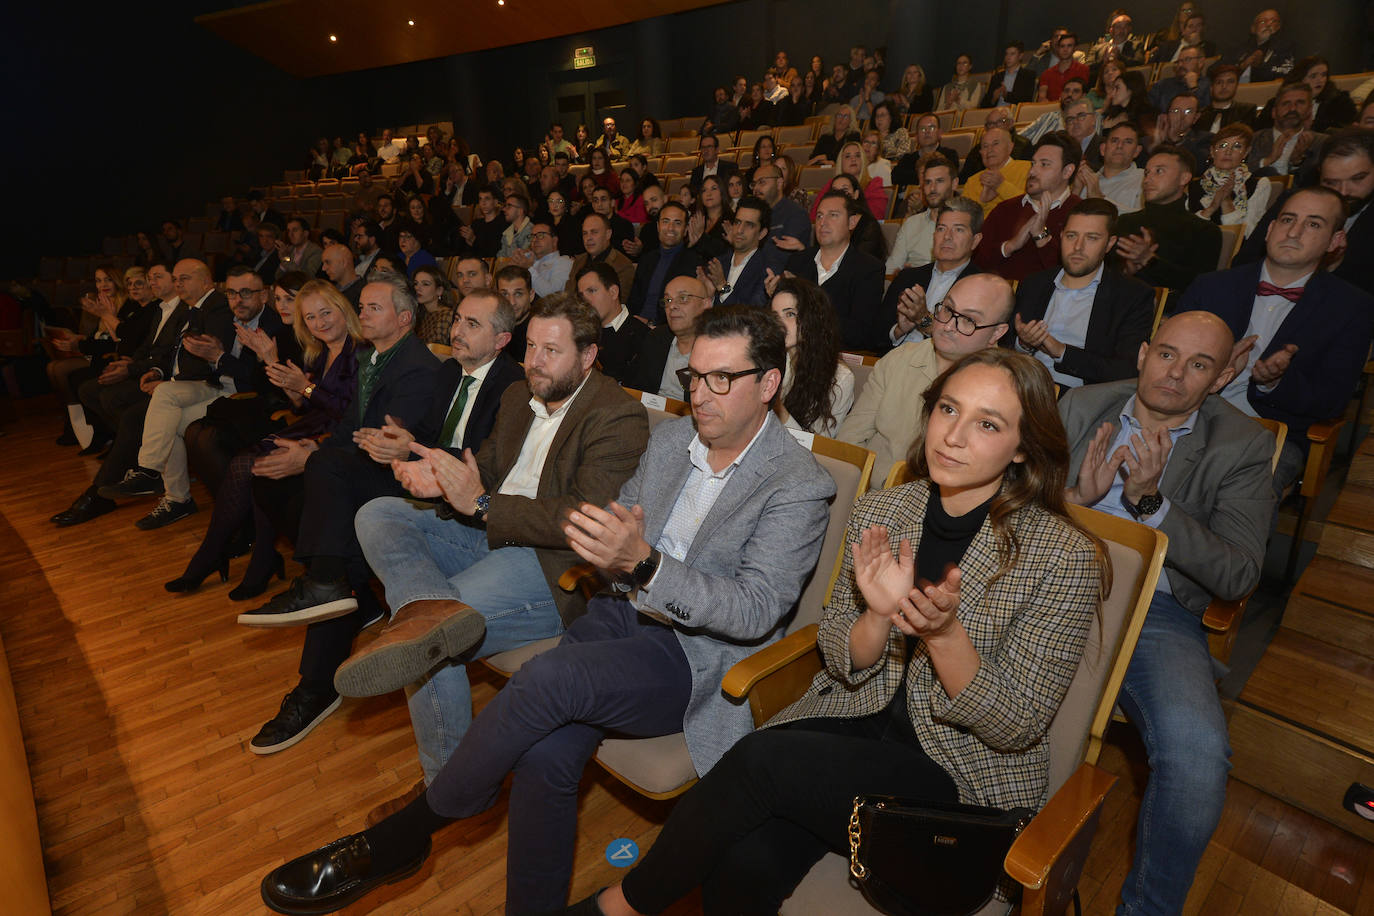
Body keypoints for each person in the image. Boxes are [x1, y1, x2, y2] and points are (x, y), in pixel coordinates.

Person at [261, 306, 833, 916]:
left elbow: (754, 610)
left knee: (548, 677)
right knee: (545, 756)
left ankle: (404, 835)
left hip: (692, 657)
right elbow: (616, 533)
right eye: (693, 376)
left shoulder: (798, 482)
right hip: (618, 615)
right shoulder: (671, 441)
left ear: (769, 383)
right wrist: (609, 550)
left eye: (721, 379)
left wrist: (643, 564)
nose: (700, 394)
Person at [577, 345, 1106, 916]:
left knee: (759, 761)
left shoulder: (1062, 556)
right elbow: (837, 654)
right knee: (739, 862)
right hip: (856, 726)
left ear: (1023, 447)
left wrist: (945, 636)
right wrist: (877, 616)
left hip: (957, 777)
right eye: (948, 410)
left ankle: (619, 906)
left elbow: (1018, 724)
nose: (954, 436)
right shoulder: (885, 510)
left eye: (987, 424)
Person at [1059, 309, 1274, 914]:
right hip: (1054, 583)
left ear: (1223, 376)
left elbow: (1237, 574)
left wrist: (1152, 504)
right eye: (1168, 354)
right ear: (1143, 353)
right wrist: (1079, 499)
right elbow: (1017, 507)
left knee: (1198, 759)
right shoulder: (1080, 406)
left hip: (1156, 612)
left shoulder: (1244, 445)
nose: (1176, 374)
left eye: (1199, 364)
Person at [234, 275, 445, 752]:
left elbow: (384, 442)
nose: (361, 314)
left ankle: (317, 663)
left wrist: (319, 452)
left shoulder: (418, 368)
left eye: (373, 307)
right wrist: (315, 444)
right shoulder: (372, 358)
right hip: (365, 465)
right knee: (277, 480)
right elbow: (352, 426)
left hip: (403, 480)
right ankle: (338, 589)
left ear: (404, 319)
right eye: (363, 306)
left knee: (324, 476)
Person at [165, 280, 363, 593]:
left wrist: (304, 386)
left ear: (343, 309)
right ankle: (243, 556)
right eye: (310, 318)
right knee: (250, 465)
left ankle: (230, 557)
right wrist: (278, 368)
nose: (319, 323)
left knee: (252, 465)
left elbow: (351, 412)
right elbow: (303, 406)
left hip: (334, 437)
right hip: (311, 425)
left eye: (326, 313)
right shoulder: (320, 351)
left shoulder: (360, 350)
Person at [1183, 187, 1374, 495]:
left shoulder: (1352, 308)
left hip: (1270, 433)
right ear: (1270, 229)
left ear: (1335, 241)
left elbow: (1333, 400)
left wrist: (1275, 382)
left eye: (1313, 224)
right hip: (1189, 413)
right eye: (1287, 219)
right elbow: (1164, 362)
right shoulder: (1211, 286)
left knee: (1233, 492)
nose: (1294, 232)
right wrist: (1210, 367)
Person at [98, 261, 268, 530]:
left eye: (184, 279)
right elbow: (168, 351)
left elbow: (228, 367)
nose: (236, 300)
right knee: (170, 420)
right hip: (214, 382)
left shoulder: (219, 308)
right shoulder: (198, 309)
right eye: (233, 293)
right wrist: (158, 369)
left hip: (227, 389)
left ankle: (150, 472)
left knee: (164, 397)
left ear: (206, 282)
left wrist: (211, 359)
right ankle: (175, 497)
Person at [840, 273, 1014, 482]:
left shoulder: (1007, 389)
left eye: (968, 320)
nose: (948, 326)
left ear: (997, 333)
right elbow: (850, 440)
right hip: (872, 492)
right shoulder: (901, 358)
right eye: (948, 310)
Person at [1008, 198, 1155, 389]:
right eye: (1071, 236)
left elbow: (1126, 371)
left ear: (1110, 243)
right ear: (1061, 237)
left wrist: (1061, 352)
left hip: (1081, 398)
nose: (1078, 247)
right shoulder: (1034, 284)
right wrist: (1024, 344)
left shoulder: (1132, 296)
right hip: (1022, 386)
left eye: (1092, 238)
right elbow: (1003, 343)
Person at [1236, 128, 1374, 296]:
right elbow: (1244, 263)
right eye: (1331, 183)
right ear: (1319, 175)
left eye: (1357, 179)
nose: (1343, 191)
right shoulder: (1294, 203)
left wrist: (1331, 265)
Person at [781, 190, 886, 352]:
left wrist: (809, 303)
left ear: (852, 222)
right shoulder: (798, 261)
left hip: (837, 357)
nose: (823, 222)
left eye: (833, 215)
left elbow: (860, 334)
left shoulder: (868, 269)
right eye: (819, 216)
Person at [974, 132, 1083, 281]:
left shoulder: (1081, 214)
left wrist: (1041, 236)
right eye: (1033, 164)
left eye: (1044, 164)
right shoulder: (1004, 209)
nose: (1032, 171)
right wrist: (1009, 246)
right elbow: (975, 263)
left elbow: (1073, 276)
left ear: (1067, 171)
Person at [1114, 144, 1222, 292]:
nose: (1147, 180)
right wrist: (1126, 271)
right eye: (1147, 173)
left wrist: (1149, 260)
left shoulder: (1204, 231)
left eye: (1159, 171)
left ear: (1184, 178)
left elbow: (1199, 285)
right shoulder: (1125, 222)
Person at [883, 197, 986, 350]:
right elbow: (874, 336)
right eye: (941, 228)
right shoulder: (908, 277)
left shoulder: (981, 287)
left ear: (975, 241)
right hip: (895, 363)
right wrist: (899, 330)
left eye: (958, 229)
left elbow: (968, 345)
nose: (947, 237)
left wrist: (923, 319)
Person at [770, 277, 853, 436]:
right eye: (775, 315)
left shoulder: (840, 378)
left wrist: (778, 407)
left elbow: (817, 447)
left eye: (790, 314)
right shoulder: (770, 358)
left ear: (812, 318)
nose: (779, 323)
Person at [625, 275, 713, 398]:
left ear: (706, 305)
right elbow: (634, 388)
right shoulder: (656, 338)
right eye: (668, 300)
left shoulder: (717, 348)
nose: (672, 306)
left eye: (683, 298)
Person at [1187, 123, 1273, 238]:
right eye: (1222, 145)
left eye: (1237, 146)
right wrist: (1211, 208)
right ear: (1212, 151)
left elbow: (1248, 234)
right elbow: (1186, 232)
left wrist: (1226, 202)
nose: (1228, 151)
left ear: (1246, 152)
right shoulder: (1194, 185)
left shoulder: (1259, 184)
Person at [700, 196, 782, 308]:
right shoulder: (717, 263)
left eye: (749, 225)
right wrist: (708, 298)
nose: (739, 230)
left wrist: (723, 287)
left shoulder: (768, 269)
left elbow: (751, 315)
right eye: (737, 222)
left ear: (762, 233)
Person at [626, 202, 701, 323]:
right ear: (658, 226)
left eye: (677, 223)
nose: (670, 228)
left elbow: (685, 310)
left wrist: (651, 324)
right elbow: (633, 301)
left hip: (667, 329)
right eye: (665, 222)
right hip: (636, 326)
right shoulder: (647, 259)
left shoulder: (693, 262)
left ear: (686, 229)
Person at [576, 261, 648, 384]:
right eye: (581, 295)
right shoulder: (580, 334)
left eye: (592, 291)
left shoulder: (643, 336)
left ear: (613, 292)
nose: (585, 301)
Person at [886, 155, 959, 272]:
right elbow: (892, 268)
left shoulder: (965, 224)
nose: (932, 188)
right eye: (928, 182)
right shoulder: (911, 224)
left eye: (939, 181)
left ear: (954, 184)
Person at [1247, 83, 1328, 187]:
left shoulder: (1323, 143)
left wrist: (1296, 163)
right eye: (1286, 103)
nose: (1292, 108)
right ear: (1274, 112)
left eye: (1300, 103)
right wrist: (1268, 160)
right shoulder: (1253, 139)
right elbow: (1237, 174)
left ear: (1309, 110)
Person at [564, 213, 636, 304]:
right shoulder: (579, 261)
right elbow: (568, 296)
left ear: (608, 234)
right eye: (585, 233)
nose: (588, 238)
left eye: (594, 232)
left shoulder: (623, 265)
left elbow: (616, 304)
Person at [962, 127, 1034, 217]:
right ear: (980, 152)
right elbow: (965, 220)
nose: (990, 150)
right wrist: (983, 201)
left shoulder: (1029, 169)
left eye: (995, 144)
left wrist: (1002, 186)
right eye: (985, 146)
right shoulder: (972, 181)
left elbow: (1033, 206)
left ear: (1010, 147)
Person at [1076, 121, 1145, 214]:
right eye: (1114, 140)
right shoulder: (1087, 180)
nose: (1120, 146)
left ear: (1137, 151)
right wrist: (1076, 190)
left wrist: (1099, 199)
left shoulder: (1144, 179)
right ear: (1103, 149)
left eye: (1128, 142)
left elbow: (1141, 219)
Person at [749, 162, 811, 251]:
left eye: (762, 182)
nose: (756, 188)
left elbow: (782, 257)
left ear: (779, 183)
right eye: (754, 184)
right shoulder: (753, 213)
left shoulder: (796, 215)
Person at [1229, 8, 1296, 84]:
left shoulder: (1285, 48)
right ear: (1253, 28)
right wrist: (1241, 66)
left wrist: (1258, 67)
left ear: (1278, 27)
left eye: (1273, 21)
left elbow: (1285, 73)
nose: (1268, 25)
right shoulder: (1239, 48)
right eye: (1263, 21)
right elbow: (1218, 69)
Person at [1197, 64, 1257, 135]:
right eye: (1219, 82)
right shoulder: (1200, 115)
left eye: (1230, 82)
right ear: (1211, 87)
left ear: (1236, 86)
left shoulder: (1246, 110)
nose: (1224, 86)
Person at [1038, 31, 1090, 102]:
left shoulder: (1083, 69)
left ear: (1075, 48)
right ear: (1058, 48)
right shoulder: (1047, 73)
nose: (1065, 49)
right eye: (1062, 46)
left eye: (1069, 46)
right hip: (1051, 110)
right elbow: (1041, 97)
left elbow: (1083, 95)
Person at [986, 40, 1037, 107]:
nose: (1008, 57)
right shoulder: (997, 77)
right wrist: (993, 99)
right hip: (995, 111)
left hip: (1014, 113)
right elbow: (984, 104)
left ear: (1020, 56)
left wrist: (1006, 95)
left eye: (1012, 54)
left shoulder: (1028, 75)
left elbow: (1026, 100)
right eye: (1006, 54)